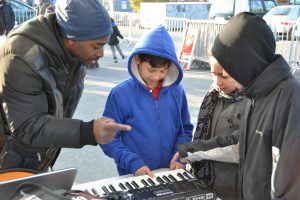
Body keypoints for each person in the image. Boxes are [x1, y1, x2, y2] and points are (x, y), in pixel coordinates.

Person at [0, 0, 131, 172]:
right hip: (8, 161)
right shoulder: (21, 55)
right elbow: (27, 126)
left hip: (35, 156)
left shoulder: (75, 54)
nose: (101, 53)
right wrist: (88, 131)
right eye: (96, 46)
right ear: (71, 39)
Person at [210, 12, 300, 199]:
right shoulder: (254, 94)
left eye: (229, 64)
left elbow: (291, 186)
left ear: (247, 60)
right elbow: (241, 142)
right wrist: (188, 150)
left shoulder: (290, 99)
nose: (225, 71)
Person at [100, 25, 193, 177]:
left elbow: (185, 129)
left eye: (163, 71)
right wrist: (132, 162)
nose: (156, 77)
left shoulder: (177, 91)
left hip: (170, 172)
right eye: (151, 70)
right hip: (133, 173)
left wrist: (181, 155)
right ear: (137, 59)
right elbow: (108, 138)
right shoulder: (120, 94)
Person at [177, 55, 244, 200]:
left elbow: (239, 146)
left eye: (224, 76)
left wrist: (192, 151)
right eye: (214, 74)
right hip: (209, 184)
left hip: (235, 190)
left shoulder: (252, 101)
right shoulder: (213, 93)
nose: (218, 81)